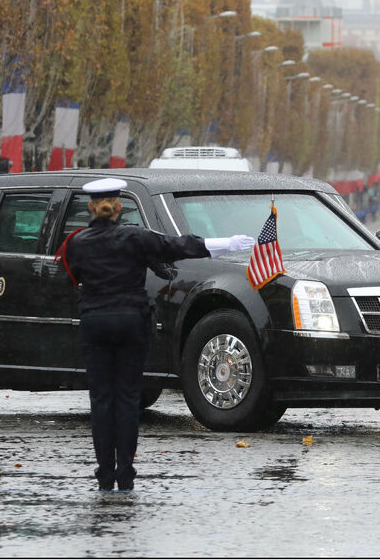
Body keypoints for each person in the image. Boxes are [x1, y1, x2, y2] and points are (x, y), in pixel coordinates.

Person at [59, 178, 254, 492]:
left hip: (95, 324)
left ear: (91, 207)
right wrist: (227, 243)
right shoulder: (136, 237)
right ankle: (126, 474)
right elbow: (179, 246)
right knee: (127, 399)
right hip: (130, 323)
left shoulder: (76, 242)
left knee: (101, 400)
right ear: (119, 207)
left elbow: (73, 275)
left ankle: (105, 475)